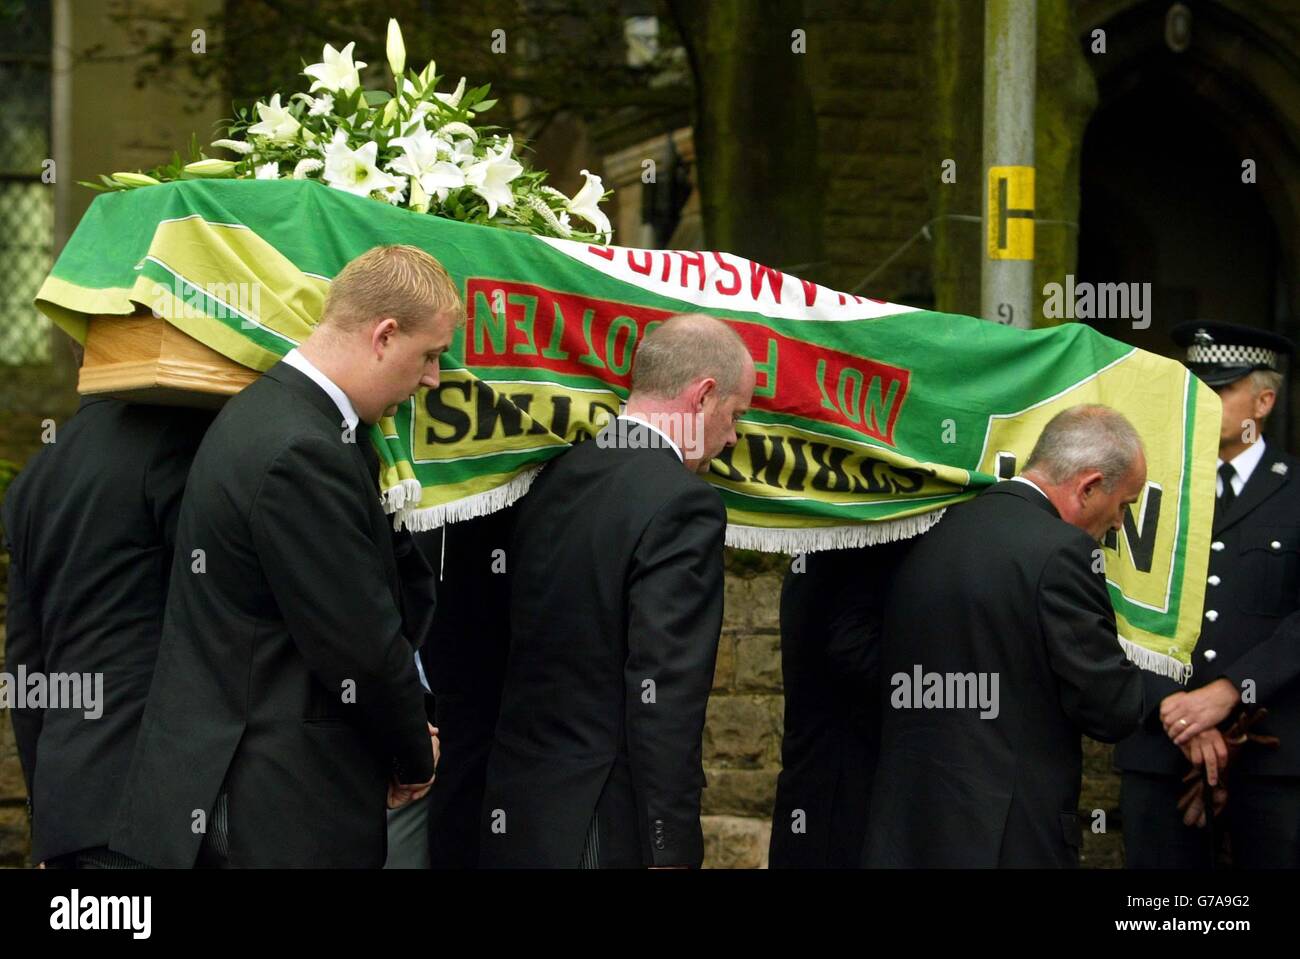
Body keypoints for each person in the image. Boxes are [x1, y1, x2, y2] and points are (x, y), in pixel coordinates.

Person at [111, 244, 457, 868]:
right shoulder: (303, 449)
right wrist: (413, 751)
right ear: (383, 335)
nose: (432, 377)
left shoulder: (275, 416)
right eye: (428, 355)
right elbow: (358, 640)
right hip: (272, 803)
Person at [480, 313, 755, 868]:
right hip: (601, 822)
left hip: (519, 806)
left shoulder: (551, 476)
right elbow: (666, 692)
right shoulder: (684, 505)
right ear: (702, 396)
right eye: (734, 414)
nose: (731, 437)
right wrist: (669, 845)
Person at [865, 405, 1178, 868]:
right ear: (1089, 487)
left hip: (909, 829)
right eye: (1125, 505)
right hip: (1007, 838)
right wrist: (1171, 694)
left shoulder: (931, 527)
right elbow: (1110, 709)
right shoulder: (1063, 554)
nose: (1118, 523)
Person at [3, 387, 213, 869]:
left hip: (73, 808)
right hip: (159, 811)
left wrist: (50, 820)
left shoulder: (37, 475)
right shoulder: (178, 442)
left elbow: (26, 669)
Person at [1116, 321, 1300, 869]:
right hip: (1158, 746)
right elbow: (1111, 604)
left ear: (1263, 400)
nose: (1199, 401)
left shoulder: (1295, 491)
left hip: (1270, 754)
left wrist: (1229, 693)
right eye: (1191, 387)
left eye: (1218, 389)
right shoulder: (1143, 487)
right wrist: (1172, 708)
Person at [768, 542, 909, 868]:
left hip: (817, 790)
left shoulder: (816, 552)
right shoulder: (856, 552)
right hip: (839, 798)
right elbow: (852, 650)